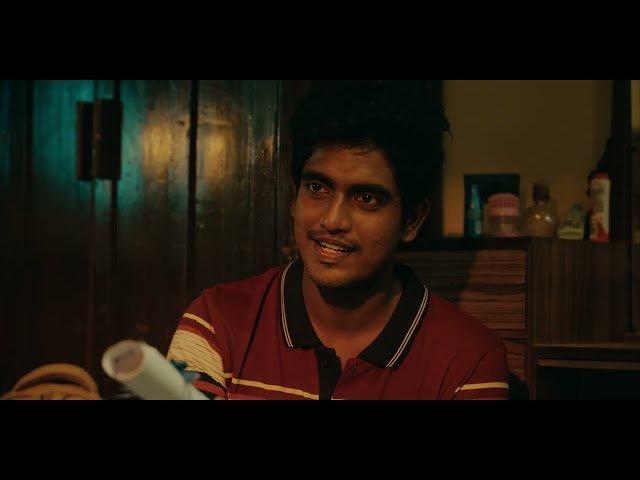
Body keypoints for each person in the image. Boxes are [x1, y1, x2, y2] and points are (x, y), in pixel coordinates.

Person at [167, 80, 510, 400]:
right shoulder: (217, 323)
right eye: (317, 188)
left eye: (367, 198)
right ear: (294, 197)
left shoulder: (469, 360)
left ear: (412, 220)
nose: (332, 221)